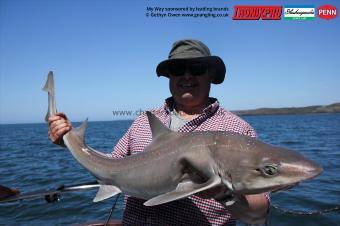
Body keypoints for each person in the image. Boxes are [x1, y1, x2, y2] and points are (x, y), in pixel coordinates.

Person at [48, 39, 269, 225]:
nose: (187, 76)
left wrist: (223, 194)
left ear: (211, 75)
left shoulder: (237, 130)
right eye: (177, 70)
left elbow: (258, 212)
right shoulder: (145, 121)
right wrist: (68, 142)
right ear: (169, 77)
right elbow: (111, 167)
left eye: (197, 69)